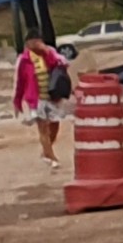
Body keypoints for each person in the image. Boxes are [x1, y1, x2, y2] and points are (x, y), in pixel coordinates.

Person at [14, 35, 73, 165]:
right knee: (43, 127)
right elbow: (19, 82)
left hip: (52, 97)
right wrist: (17, 102)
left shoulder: (49, 53)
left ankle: (46, 151)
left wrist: (46, 52)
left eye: (37, 41)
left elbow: (62, 63)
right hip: (36, 99)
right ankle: (51, 157)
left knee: (55, 125)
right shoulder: (23, 60)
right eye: (32, 42)